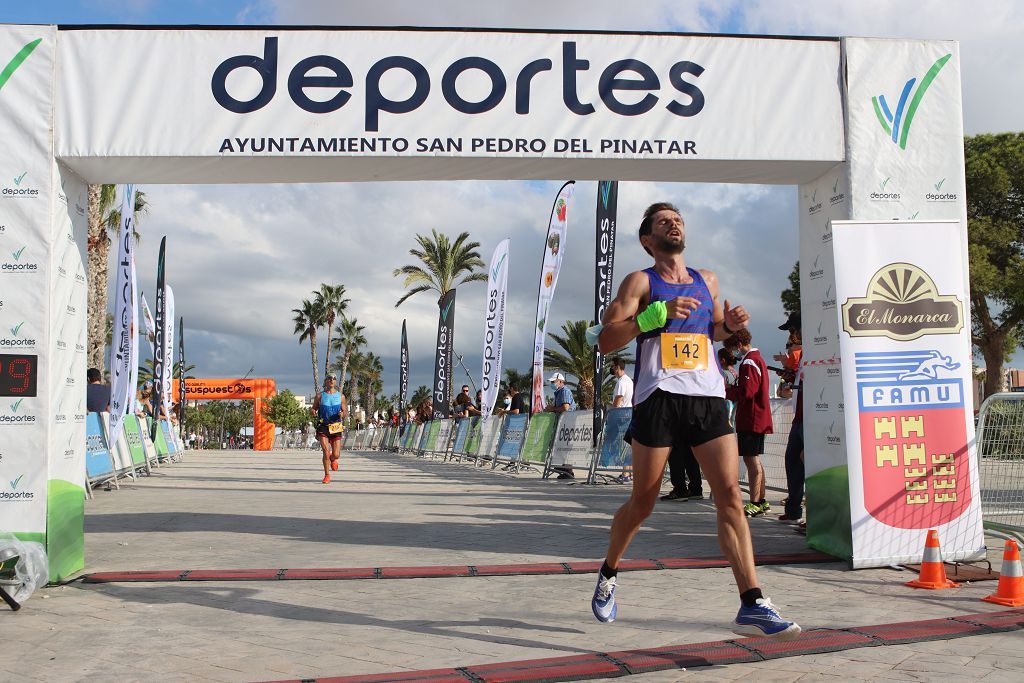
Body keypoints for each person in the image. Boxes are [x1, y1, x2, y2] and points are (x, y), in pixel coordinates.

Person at [591, 201, 799, 639]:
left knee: (730, 496)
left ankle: (753, 601)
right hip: (659, 397)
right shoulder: (639, 281)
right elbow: (607, 339)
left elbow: (715, 331)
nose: (674, 223)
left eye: (678, 219)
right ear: (648, 239)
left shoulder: (708, 279)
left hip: (705, 397)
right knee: (643, 503)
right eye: (664, 221)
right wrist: (653, 317)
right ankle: (609, 571)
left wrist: (732, 325)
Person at [724, 328, 774, 518]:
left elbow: (747, 391)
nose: (732, 354)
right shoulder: (756, 359)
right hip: (756, 417)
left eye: (731, 349)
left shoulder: (749, 362)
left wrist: (727, 391)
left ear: (737, 345)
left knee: (751, 459)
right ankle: (761, 500)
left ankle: (754, 502)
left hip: (752, 417)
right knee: (755, 460)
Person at [776, 313, 805, 525]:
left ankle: (811, 514)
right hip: (799, 417)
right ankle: (794, 509)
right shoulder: (801, 355)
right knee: (792, 460)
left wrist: (791, 366)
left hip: (811, 417)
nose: (791, 337)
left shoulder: (808, 352)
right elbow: (784, 391)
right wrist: (788, 374)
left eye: (793, 330)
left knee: (808, 463)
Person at [310, 372, 347, 484]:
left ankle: (333, 459)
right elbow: (313, 409)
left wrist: (342, 414)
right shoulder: (320, 396)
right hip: (323, 426)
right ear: (326, 381)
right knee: (326, 452)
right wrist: (312, 412)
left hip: (336, 426)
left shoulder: (341, 396)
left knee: (336, 454)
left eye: (334, 378)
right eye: (329, 378)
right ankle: (326, 475)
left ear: (336, 381)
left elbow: (345, 411)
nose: (332, 380)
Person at [545, 373, 577, 479]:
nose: (552, 383)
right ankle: (564, 469)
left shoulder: (564, 391)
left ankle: (568, 470)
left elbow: (566, 407)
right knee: (561, 446)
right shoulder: (558, 392)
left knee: (565, 446)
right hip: (563, 423)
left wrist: (552, 409)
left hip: (568, 423)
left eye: (553, 382)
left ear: (560, 381)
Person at [610, 358, 635, 483]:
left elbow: (618, 399)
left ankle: (625, 474)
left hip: (622, 416)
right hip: (630, 414)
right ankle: (629, 473)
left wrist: (612, 411)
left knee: (624, 446)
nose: (612, 369)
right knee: (629, 446)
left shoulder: (621, 382)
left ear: (617, 367)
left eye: (613, 367)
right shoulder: (629, 380)